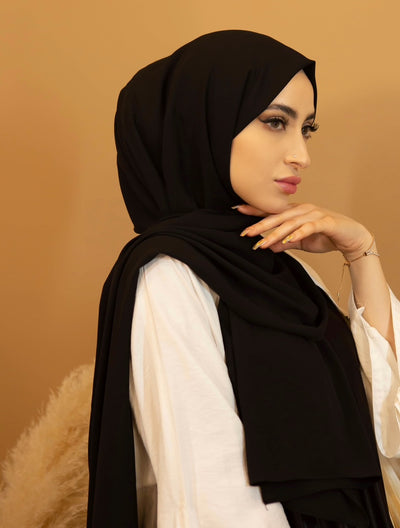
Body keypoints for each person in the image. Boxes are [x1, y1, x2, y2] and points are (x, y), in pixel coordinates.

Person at [87, 30, 399, 527]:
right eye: (275, 122)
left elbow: (383, 418)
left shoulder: (282, 267)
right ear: (202, 126)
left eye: (306, 129)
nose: (301, 155)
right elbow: (212, 494)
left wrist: (361, 251)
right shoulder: (170, 276)